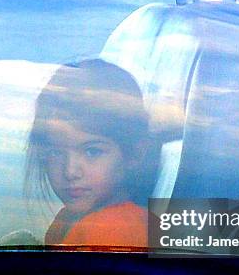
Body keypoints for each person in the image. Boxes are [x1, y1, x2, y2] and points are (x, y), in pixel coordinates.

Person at [25, 59, 159, 249]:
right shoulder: (68, 219)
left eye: (92, 151)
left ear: (134, 154)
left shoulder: (114, 228)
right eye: (55, 152)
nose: (70, 171)